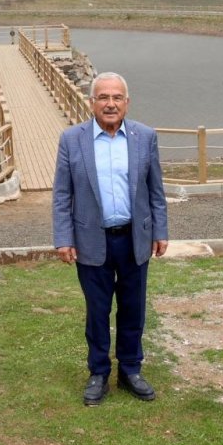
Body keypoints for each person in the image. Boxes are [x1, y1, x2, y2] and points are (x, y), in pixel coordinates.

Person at [52, 71, 169, 406]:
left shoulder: (145, 137)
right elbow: (62, 195)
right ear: (92, 103)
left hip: (134, 239)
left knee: (133, 310)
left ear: (127, 103)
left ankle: (130, 370)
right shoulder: (72, 139)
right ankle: (99, 373)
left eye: (117, 97)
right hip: (91, 239)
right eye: (103, 97)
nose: (110, 104)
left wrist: (160, 231)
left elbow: (156, 190)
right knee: (98, 311)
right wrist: (63, 238)